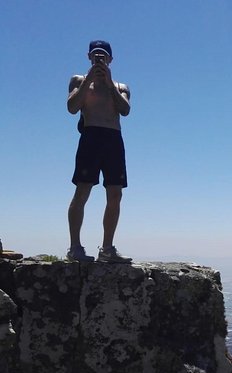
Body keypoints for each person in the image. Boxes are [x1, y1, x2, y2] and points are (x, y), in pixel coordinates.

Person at [66, 40, 132, 263]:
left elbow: (125, 110)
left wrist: (109, 83)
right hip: (91, 137)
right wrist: (89, 81)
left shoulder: (121, 87)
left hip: (113, 139)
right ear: (89, 57)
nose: (99, 60)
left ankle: (107, 249)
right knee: (82, 190)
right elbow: (72, 107)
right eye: (95, 56)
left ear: (111, 60)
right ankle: (75, 247)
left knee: (115, 193)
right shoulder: (79, 81)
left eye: (103, 57)